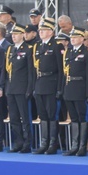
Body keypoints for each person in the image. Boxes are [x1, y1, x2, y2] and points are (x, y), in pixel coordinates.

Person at [32, 18, 64, 155]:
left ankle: (52, 143)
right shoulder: (38, 46)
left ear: (51, 31)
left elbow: (62, 69)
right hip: (40, 82)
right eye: (40, 30)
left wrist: (59, 88)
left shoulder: (57, 45)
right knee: (43, 115)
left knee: (52, 115)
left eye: (44, 30)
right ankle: (43, 142)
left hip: (52, 82)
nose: (41, 32)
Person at [61, 28, 88, 156]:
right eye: (71, 37)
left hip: (81, 88)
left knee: (82, 117)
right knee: (74, 118)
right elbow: (65, 73)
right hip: (70, 88)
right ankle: (74, 145)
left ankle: (82, 145)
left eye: (76, 37)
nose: (73, 39)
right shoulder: (68, 52)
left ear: (82, 38)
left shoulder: (87, 52)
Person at [4, 25, 36, 153]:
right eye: (12, 34)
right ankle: (18, 142)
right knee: (14, 118)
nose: (14, 36)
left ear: (23, 35)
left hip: (22, 88)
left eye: (16, 34)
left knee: (25, 118)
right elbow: (6, 71)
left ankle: (27, 143)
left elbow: (30, 72)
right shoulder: (10, 49)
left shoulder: (28, 49)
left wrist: (29, 89)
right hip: (11, 88)